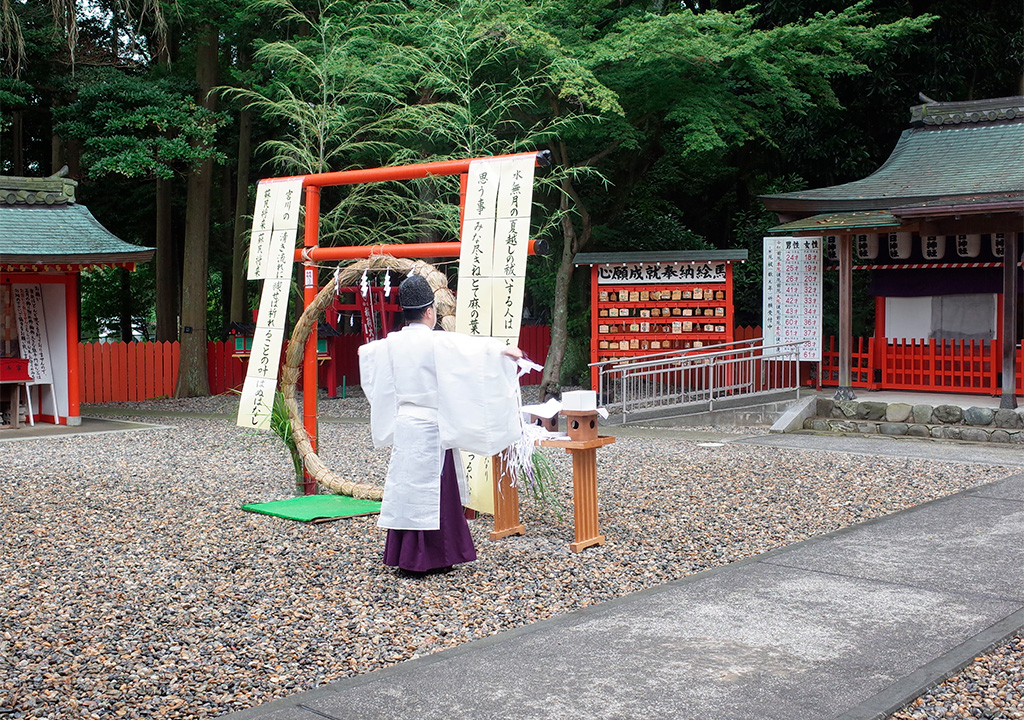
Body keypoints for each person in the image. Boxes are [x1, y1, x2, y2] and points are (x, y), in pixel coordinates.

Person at [358, 274, 524, 575]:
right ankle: (433, 556)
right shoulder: (437, 342)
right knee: (436, 490)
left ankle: (405, 555)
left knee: (408, 489)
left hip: (406, 424)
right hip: (432, 425)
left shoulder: (391, 343)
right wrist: (501, 351)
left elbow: (367, 357)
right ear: (430, 311)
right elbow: (472, 352)